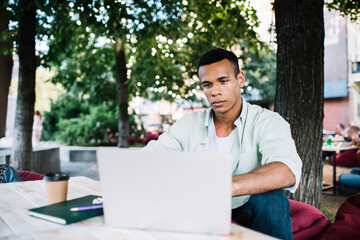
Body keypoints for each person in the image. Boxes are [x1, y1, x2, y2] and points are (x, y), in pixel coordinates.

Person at [143, 48, 302, 239]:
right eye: (207, 85)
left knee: (272, 199)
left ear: (240, 79)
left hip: (248, 207)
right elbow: (148, 159)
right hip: (199, 208)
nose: (215, 91)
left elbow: (286, 171)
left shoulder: (268, 121)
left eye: (223, 81)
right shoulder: (188, 124)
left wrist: (221, 186)